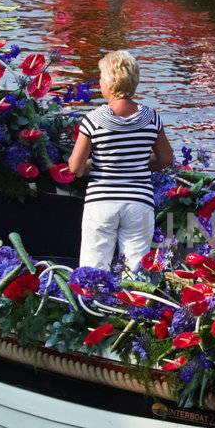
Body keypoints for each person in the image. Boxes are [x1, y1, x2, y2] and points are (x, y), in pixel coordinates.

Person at [66, 50, 173, 269]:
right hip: (138, 202)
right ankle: (134, 302)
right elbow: (165, 158)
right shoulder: (151, 117)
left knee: (93, 267)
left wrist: (94, 166)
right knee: (136, 270)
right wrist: (140, 165)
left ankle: (92, 303)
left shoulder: (94, 119)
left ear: (108, 82)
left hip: (101, 202)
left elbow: (75, 167)